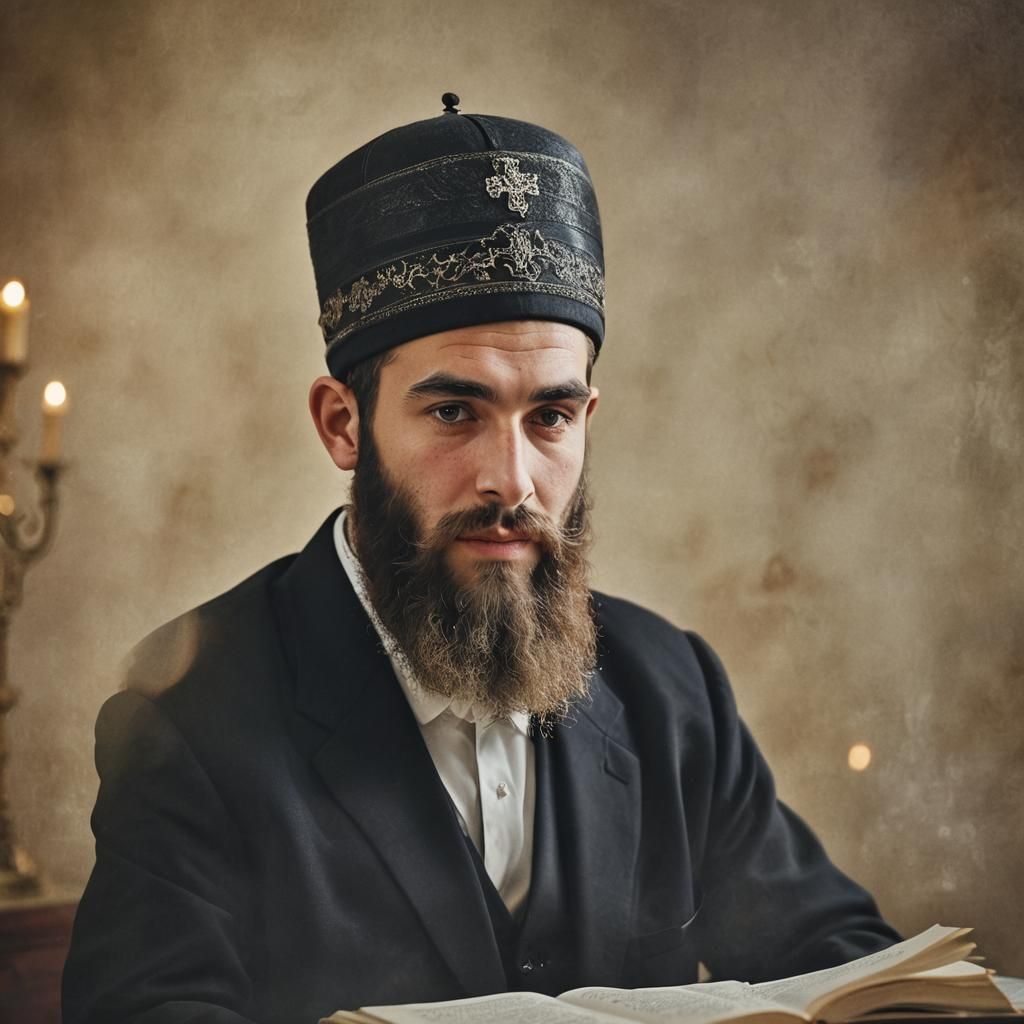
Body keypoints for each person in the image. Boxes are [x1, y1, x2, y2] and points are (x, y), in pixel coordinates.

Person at [62, 94, 901, 1024]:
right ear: (344, 425)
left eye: (549, 417)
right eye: (455, 412)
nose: (513, 481)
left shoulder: (673, 692)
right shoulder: (186, 718)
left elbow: (854, 970)